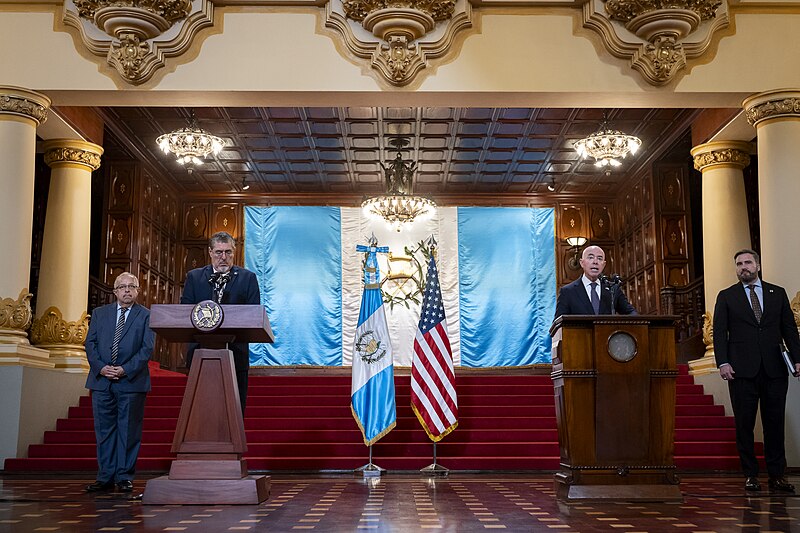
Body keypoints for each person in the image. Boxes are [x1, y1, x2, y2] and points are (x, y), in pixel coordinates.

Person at [713, 249, 800, 493]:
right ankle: (750, 475)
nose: (743, 267)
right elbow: (719, 333)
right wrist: (723, 362)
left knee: (775, 424)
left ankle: (777, 476)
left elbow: (789, 329)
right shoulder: (727, 296)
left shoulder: (777, 293)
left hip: (774, 370)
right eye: (739, 264)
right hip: (740, 371)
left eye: (748, 262)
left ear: (758, 266)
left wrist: (798, 358)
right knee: (744, 425)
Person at [84, 272, 154, 493]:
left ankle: (124, 476)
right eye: (122, 287)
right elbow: (90, 343)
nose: (126, 290)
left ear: (137, 291)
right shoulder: (99, 313)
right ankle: (105, 477)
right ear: (114, 291)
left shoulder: (146, 316)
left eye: (131, 286)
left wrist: (124, 369)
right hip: (101, 381)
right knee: (104, 431)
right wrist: (101, 367)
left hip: (131, 382)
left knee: (128, 431)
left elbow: (146, 349)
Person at [180, 231, 261, 413]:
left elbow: (253, 315)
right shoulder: (194, 277)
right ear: (210, 252)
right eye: (218, 252)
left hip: (235, 353)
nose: (223, 257)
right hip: (200, 352)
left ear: (234, 252)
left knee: (235, 408)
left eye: (228, 252)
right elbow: (185, 313)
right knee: (200, 409)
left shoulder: (248, 278)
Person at [554, 245, 636, 318]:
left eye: (599, 258)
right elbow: (558, 324)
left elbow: (631, 313)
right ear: (582, 263)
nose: (595, 262)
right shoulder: (567, 291)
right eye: (590, 257)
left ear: (603, 265)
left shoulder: (612, 289)